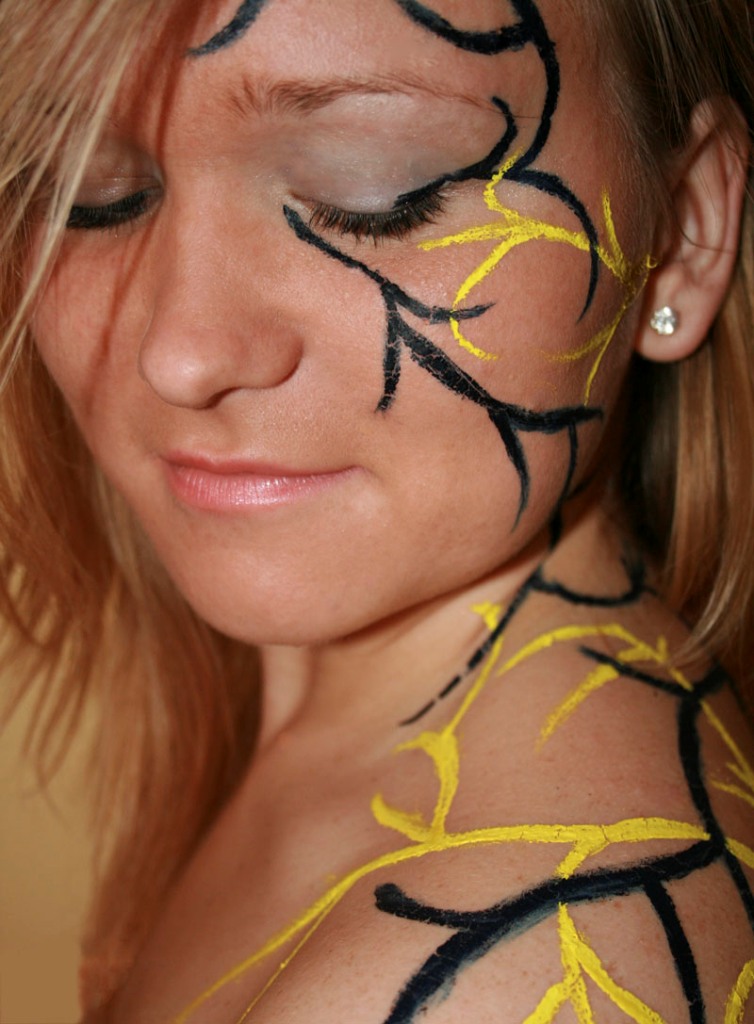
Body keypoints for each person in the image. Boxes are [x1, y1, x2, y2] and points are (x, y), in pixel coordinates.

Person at [1, 0, 754, 1020]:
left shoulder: (515, 970)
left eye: (372, 194)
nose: (180, 353)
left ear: (683, 233)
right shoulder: (312, 750)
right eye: (92, 192)